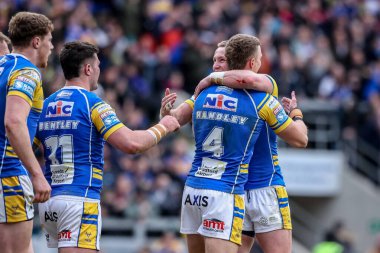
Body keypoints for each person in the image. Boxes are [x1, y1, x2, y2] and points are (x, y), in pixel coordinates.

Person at [161, 36, 308, 253]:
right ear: (251, 62)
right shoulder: (257, 98)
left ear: (233, 64)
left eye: (222, 59)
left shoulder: (255, 87)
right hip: (239, 189)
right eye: (214, 60)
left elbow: (251, 80)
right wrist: (296, 113)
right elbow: (301, 139)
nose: (217, 65)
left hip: (244, 186)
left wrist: (210, 79)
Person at [34, 41, 180, 252]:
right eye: (98, 65)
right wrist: (163, 126)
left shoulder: (45, 105)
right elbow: (131, 144)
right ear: (88, 69)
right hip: (79, 199)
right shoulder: (93, 103)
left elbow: (24, 148)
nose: (100, 70)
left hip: (50, 202)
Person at [0, 12, 54, 253]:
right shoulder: (27, 72)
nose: (51, 47)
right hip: (8, 173)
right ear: (36, 41)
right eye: (49, 40)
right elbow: (13, 122)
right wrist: (36, 173)